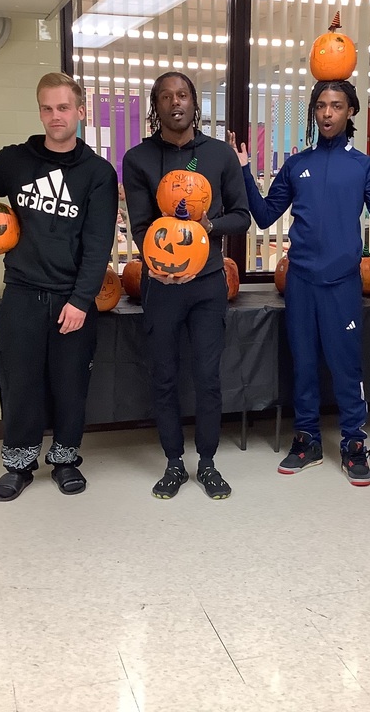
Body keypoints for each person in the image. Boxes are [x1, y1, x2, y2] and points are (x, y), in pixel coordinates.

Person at [230, 79, 370, 486]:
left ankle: (353, 444)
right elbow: (263, 215)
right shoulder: (297, 164)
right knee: (305, 366)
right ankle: (308, 440)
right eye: (321, 106)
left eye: (337, 106)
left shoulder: (363, 166)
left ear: (350, 113)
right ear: (313, 113)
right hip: (301, 283)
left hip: (342, 284)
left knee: (347, 368)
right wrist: (243, 169)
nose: (328, 113)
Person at [0, 72, 118, 502]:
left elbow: (98, 243)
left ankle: (65, 460)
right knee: (19, 381)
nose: (55, 116)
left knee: (70, 384)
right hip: (23, 293)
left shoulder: (98, 174)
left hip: (72, 298)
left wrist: (82, 300)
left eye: (63, 107)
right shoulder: (15, 161)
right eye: (47, 108)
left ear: (80, 112)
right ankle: (19, 464)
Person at [122, 71, 251, 500]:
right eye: (165, 97)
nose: (175, 102)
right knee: (164, 375)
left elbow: (241, 215)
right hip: (160, 284)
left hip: (208, 282)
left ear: (194, 104)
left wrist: (206, 224)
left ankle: (208, 462)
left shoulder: (218, 156)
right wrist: (156, 263)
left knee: (207, 376)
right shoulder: (138, 159)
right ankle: (174, 463)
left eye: (182, 95)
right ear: (155, 108)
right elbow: (141, 225)